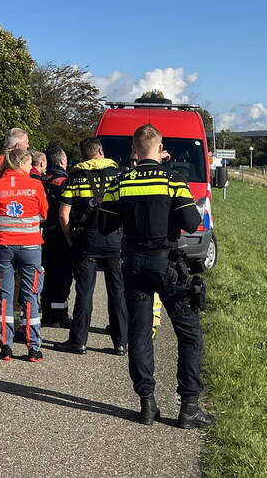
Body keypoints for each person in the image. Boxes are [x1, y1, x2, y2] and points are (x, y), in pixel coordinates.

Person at [99, 124, 214, 428]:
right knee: (189, 334)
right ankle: (189, 407)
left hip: (134, 265)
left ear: (134, 151)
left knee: (139, 335)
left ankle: (147, 405)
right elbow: (191, 224)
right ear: (161, 148)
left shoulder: (120, 181)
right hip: (167, 264)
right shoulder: (173, 179)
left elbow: (105, 224)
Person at [56, 138, 128, 356]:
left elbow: (63, 214)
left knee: (84, 293)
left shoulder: (74, 177)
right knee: (117, 291)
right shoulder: (119, 175)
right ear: (101, 151)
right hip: (115, 239)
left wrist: (70, 241)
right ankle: (121, 342)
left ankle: (79, 341)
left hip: (86, 241)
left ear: (83, 154)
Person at [0, 148, 49, 362]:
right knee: (30, 296)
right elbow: (44, 213)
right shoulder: (36, 185)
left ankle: (5, 346)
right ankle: (33, 348)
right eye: (29, 164)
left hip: (3, 246)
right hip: (30, 247)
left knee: (5, 296)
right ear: (23, 164)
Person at [40, 146, 72, 328]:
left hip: (42, 234)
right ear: (61, 161)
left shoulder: (39, 180)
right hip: (60, 234)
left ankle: (46, 313)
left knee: (45, 274)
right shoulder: (64, 182)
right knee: (62, 277)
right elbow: (66, 212)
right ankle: (59, 315)